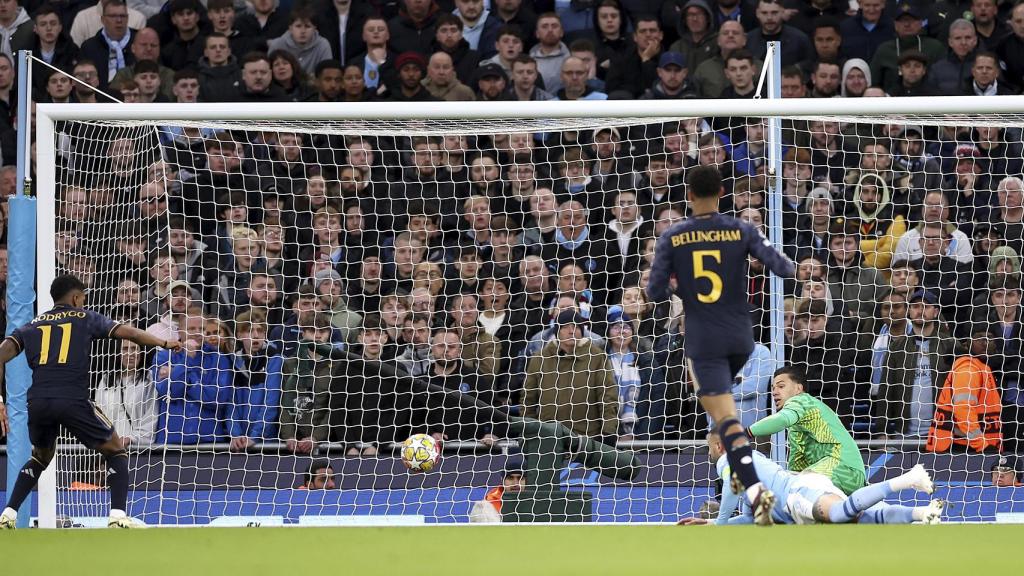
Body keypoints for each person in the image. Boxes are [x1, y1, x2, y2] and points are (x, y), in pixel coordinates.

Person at [646, 164, 795, 525]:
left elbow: (653, 291)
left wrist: (683, 288)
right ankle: (746, 486)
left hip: (704, 339)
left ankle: (757, 493)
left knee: (725, 420)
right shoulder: (741, 228)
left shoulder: (673, 236)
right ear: (722, 193)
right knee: (724, 420)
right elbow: (785, 268)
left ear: (689, 196)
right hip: (741, 335)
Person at [0, 274, 183, 529]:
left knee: (40, 457)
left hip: (39, 402)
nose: (83, 304)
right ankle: (118, 516)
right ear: (76, 298)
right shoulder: (85, 318)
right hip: (72, 399)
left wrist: (0, 399)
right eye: (83, 299)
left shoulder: (32, 325)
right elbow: (128, 332)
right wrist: (163, 342)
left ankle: (8, 513)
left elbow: (1, 354)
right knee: (115, 448)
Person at [681, 433, 943, 525]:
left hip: (798, 494)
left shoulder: (729, 458)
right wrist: (714, 521)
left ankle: (909, 478)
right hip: (804, 489)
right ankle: (922, 514)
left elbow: (730, 486)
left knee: (840, 513)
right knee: (863, 519)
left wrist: (720, 521)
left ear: (718, 447)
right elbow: (751, 518)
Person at [747, 366, 866, 495]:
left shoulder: (802, 400)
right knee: (790, 491)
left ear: (799, 388)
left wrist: (746, 432)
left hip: (843, 468)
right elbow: (797, 462)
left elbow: (782, 419)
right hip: (840, 474)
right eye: (773, 388)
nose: (775, 392)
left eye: (781, 386)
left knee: (799, 487)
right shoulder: (797, 423)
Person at [468, 458, 526, 523]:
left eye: (520, 478)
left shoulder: (537, 502)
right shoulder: (486, 507)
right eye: (510, 478)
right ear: (502, 480)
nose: (515, 483)